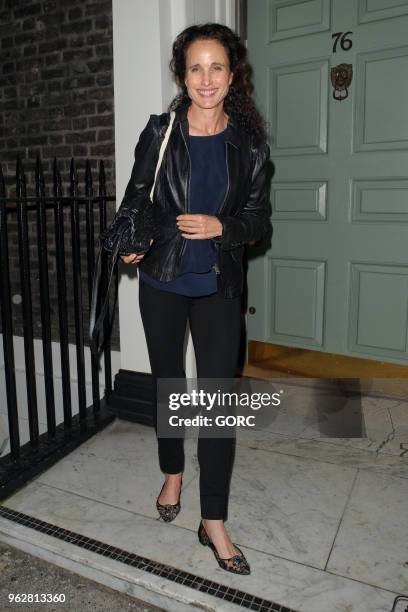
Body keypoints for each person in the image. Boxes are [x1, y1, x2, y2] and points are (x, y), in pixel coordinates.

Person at [119, 23, 271, 575]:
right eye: (195, 68)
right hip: (161, 281)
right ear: (182, 75)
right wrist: (135, 242)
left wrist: (220, 227)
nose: (206, 79)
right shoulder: (161, 132)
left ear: (233, 75)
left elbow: (259, 221)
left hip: (217, 288)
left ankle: (213, 521)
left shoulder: (248, 145)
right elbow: (138, 198)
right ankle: (172, 473)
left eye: (217, 67)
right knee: (168, 387)